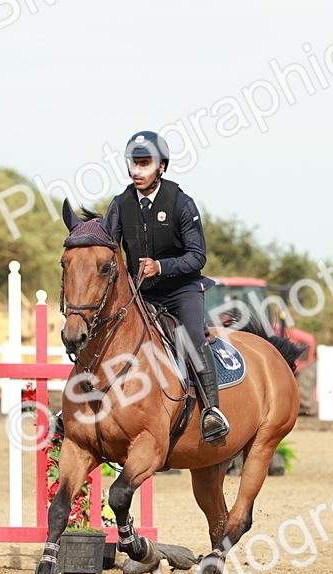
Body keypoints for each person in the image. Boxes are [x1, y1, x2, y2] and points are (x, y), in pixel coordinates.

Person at [103, 130, 229, 442]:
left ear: (161, 166)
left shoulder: (181, 203)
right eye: (133, 164)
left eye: (144, 164)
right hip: (140, 293)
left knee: (192, 336)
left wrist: (161, 266)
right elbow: (108, 248)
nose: (136, 171)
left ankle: (212, 410)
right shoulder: (120, 205)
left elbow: (197, 256)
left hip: (181, 291)